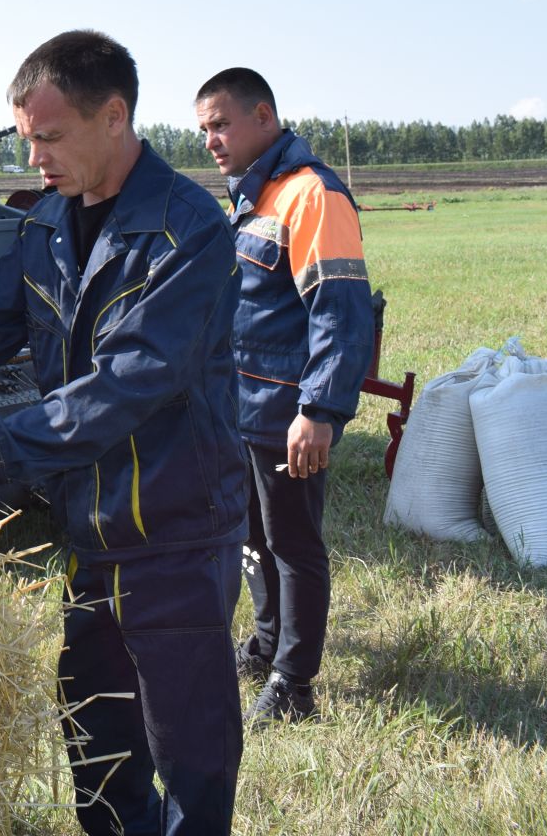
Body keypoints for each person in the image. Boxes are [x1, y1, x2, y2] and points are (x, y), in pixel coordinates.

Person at [0, 30, 248, 836]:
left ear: (114, 117)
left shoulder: (188, 233)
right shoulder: (46, 228)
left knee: (190, 755)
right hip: (93, 533)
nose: (35, 160)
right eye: (27, 139)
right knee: (97, 743)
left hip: (172, 531)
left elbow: (128, 385)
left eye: (51, 139)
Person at [193, 68, 374, 725]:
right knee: (252, 540)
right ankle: (268, 645)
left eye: (221, 124)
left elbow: (340, 310)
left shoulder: (311, 195)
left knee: (293, 545)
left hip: (288, 414)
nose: (211, 139)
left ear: (263, 117)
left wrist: (318, 411)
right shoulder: (254, 197)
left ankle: (295, 684)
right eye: (204, 129)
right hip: (243, 410)